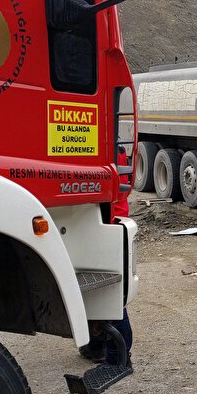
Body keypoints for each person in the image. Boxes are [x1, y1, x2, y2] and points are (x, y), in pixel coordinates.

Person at [79, 146, 134, 366]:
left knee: (110, 295)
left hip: (105, 223)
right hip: (112, 221)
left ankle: (116, 356)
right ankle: (98, 346)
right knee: (99, 291)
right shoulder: (114, 148)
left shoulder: (97, 149)